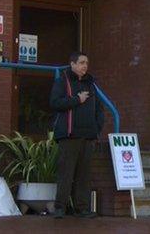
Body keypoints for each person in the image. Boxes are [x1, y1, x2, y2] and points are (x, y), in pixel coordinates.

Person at [49, 52, 104, 219]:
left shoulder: (91, 84)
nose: (84, 66)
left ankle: (82, 209)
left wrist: (97, 128)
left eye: (86, 62)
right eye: (81, 62)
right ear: (72, 64)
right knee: (66, 173)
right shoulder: (62, 81)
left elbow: (99, 109)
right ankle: (60, 208)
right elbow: (55, 103)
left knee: (84, 175)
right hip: (69, 135)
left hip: (87, 136)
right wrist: (76, 100)